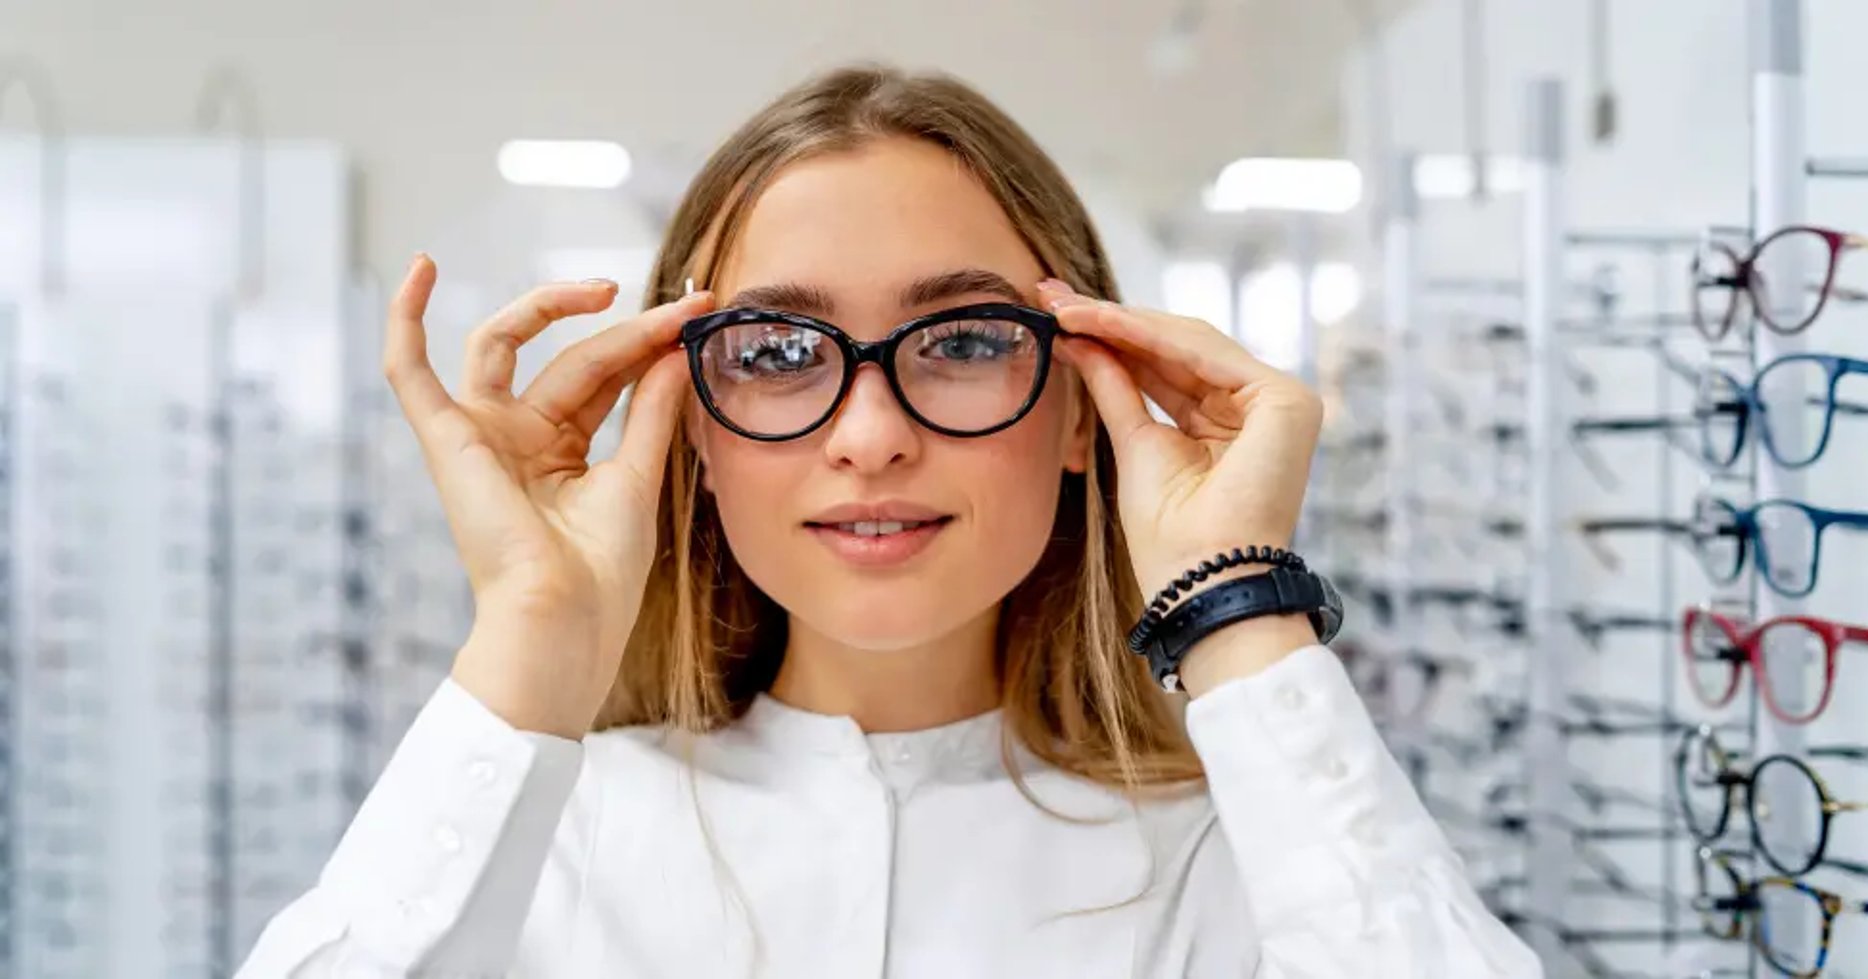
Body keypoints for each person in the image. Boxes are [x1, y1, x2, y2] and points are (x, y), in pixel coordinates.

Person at [237, 64, 1539, 978]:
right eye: (779, 351)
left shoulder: (1247, 860)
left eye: (965, 339)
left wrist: (1240, 611)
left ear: (1085, 406)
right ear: (687, 426)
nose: (869, 434)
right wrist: (530, 640)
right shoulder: (537, 840)